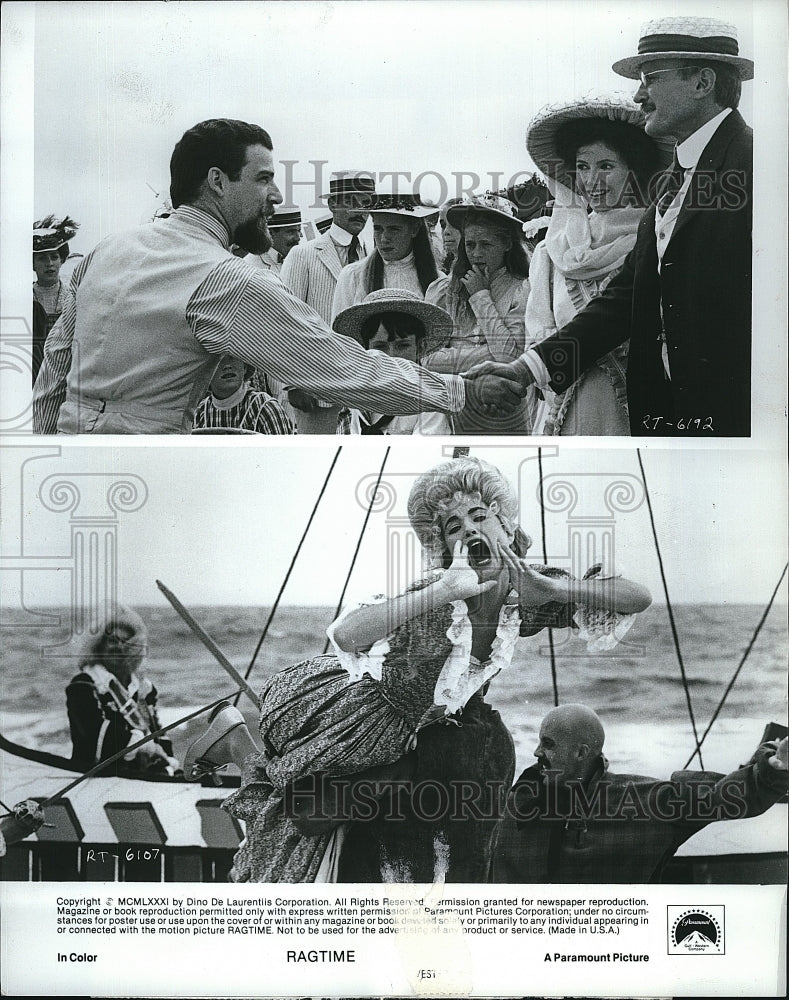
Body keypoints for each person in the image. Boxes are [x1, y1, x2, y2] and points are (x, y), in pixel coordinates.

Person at [220, 457, 651, 882]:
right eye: (453, 527)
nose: (469, 529)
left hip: (433, 722)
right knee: (305, 816)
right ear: (445, 548)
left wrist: (557, 587)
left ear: (506, 527)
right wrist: (444, 590)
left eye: (479, 516)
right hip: (362, 719)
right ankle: (234, 739)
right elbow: (347, 635)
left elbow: (637, 597)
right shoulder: (443, 590)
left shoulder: (530, 591)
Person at [32, 123, 517, 433]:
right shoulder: (223, 280)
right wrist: (459, 391)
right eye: (263, 179)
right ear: (218, 182)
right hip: (153, 480)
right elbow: (341, 369)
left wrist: (42, 468)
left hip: (74, 471)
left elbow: (52, 376)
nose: (275, 195)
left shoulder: (105, 251)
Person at [468, 17, 754, 437]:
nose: (639, 95)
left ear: (703, 82)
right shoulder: (675, 180)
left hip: (736, 422)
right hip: (668, 417)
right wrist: (528, 368)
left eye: (651, 78)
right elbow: (626, 300)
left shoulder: (757, 166)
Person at [492, 704, 788, 883]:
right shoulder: (515, 804)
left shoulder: (642, 802)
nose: (536, 752)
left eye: (548, 743)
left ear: (582, 752)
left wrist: (774, 767)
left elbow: (722, 798)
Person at [523, 94, 665, 434]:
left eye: (606, 166)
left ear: (634, 171)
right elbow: (536, 333)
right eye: (583, 167)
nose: (592, 181)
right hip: (567, 410)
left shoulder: (658, 240)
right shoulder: (552, 252)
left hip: (639, 410)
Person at [423, 194, 532, 434]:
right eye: (470, 245)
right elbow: (427, 358)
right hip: (457, 407)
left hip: (505, 410)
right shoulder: (446, 291)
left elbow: (509, 357)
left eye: (486, 244)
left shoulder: (522, 288)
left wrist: (481, 296)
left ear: (506, 244)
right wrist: (483, 359)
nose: (476, 253)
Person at [279, 171, 375, 434]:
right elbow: (287, 322)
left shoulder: (373, 257)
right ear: (333, 204)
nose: (360, 211)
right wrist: (293, 384)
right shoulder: (304, 254)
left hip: (363, 391)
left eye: (365, 204)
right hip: (316, 390)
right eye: (351, 202)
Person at [66, 606, 180, 774]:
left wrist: (170, 764)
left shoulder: (144, 689)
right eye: (112, 640)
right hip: (96, 779)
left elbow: (158, 735)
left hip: (144, 780)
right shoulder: (83, 685)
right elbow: (96, 736)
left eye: (126, 642)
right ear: (99, 645)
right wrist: (149, 748)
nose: (118, 647)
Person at [333, 288, 454, 434]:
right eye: (380, 347)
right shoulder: (355, 398)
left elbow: (424, 452)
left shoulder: (430, 401)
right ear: (365, 349)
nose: (391, 357)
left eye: (402, 346)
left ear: (420, 347)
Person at [331, 193, 439, 318]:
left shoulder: (435, 281)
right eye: (378, 229)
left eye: (394, 229)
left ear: (414, 229)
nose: (383, 238)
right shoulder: (352, 276)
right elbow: (339, 334)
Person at [192, 354, 296, 433]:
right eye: (219, 360)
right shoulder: (199, 413)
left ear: (245, 367)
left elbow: (280, 457)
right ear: (206, 372)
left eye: (232, 357)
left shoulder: (265, 407)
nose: (227, 366)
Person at [32, 215, 79, 385]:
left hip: (66, 372)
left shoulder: (73, 297)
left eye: (54, 257)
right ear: (33, 264)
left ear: (62, 259)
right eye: (42, 258)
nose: (49, 263)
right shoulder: (25, 299)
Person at [243, 205, 302, 274]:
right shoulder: (251, 267)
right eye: (291, 232)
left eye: (299, 230)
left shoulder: (299, 260)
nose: (298, 238)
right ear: (270, 233)